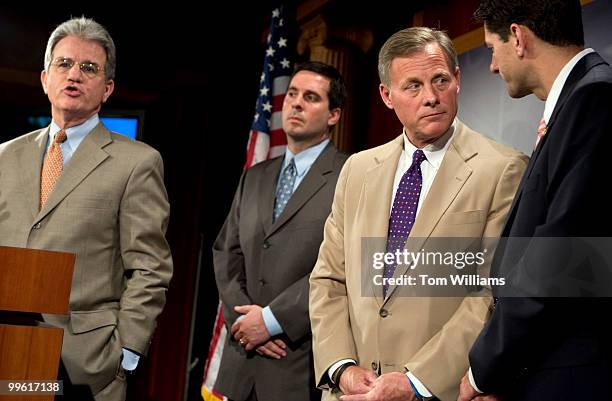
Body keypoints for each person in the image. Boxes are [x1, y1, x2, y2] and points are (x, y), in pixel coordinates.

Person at [309, 27, 528, 401]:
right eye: (413, 86)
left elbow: (488, 294)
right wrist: (341, 367)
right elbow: (330, 279)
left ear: (457, 80)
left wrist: (415, 381)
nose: (431, 97)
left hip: (437, 391)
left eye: (440, 80)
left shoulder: (504, 168)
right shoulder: (358, 170)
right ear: (386, 96)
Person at [0, 17, 172, 401]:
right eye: (63, 64)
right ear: (45, 79)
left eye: (88, 68)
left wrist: (125, 352)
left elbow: (150, 266)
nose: (73, 75)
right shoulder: (5, 156)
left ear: (107, 88)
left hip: (85, 363)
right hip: (7, 352)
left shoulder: (137, 162)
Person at [458, 1, 612, 400]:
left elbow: (558, 255)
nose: (492, 66)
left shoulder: (593, 98)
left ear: (518, 37)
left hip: (571, 375)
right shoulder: (578, 99)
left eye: (493, 47)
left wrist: (484, 369)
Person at [212, 61, 348, 401]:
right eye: (292, 94)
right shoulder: (255, 176)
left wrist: (271, 321)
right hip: (241, 364)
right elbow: (226, 252)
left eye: (311, 97)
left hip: (297, 363)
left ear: (334, 115)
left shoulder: (351, 175)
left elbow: (341, 263)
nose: (296, 103)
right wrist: (245, 321)